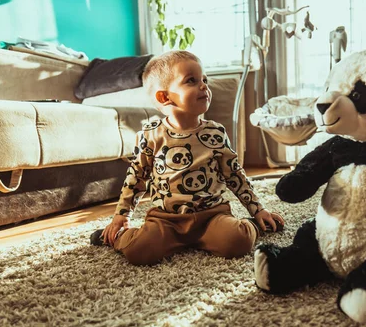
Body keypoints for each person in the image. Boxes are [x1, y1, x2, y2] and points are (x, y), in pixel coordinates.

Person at [89, 50, 285, 265]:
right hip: (166, 220)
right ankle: (115, 238)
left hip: (211, 216)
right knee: (140, 251)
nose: (204, 86)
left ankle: (254, 225)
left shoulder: (216, 134)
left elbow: (235, 176)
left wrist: (258, 210)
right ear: (164, 97)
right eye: (191, 81)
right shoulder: (150, 135)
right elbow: (135, 178)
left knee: (238, 242)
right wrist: (122, 216)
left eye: (205, 80)